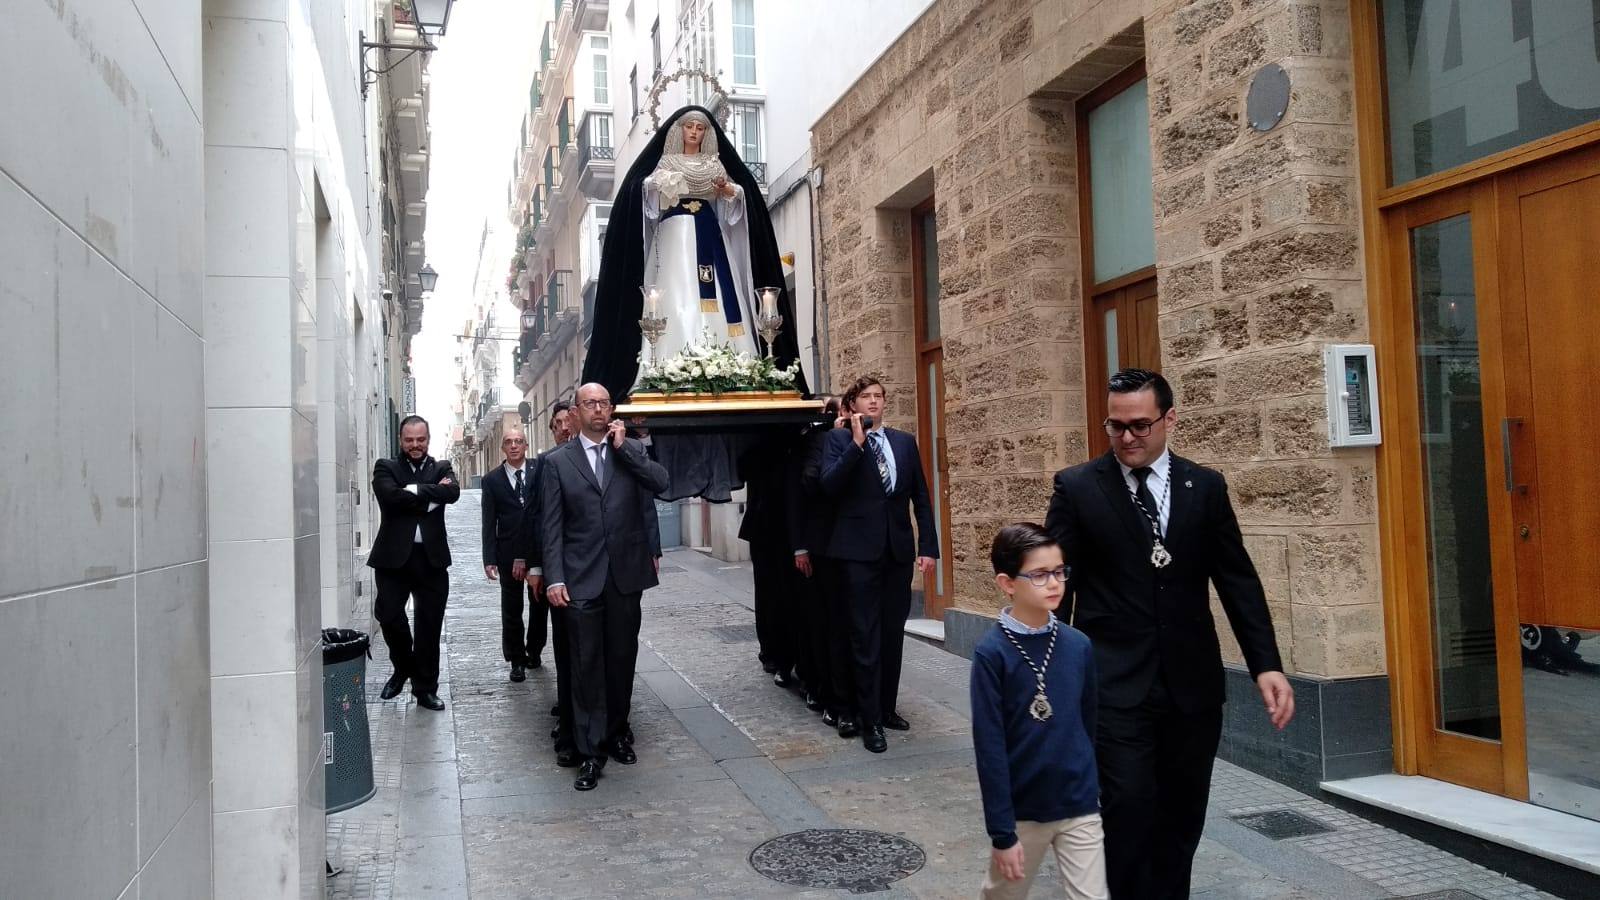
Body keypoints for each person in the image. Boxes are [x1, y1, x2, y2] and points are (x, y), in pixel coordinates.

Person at [1043, 368, 1293, 899]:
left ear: (1169, 419)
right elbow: (1057, 587)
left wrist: (1265, 664)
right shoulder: (1079, 487)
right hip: (1113, 684)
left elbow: (1237, 580)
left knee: (1181, 819)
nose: (1127, 438)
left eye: (1140, 426)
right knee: (1127, 812)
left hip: (1191, 686)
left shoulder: (1204, 487)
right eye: (1115, 427)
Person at [581, 105, 806, 402]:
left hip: (709, 233)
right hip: (676, 233)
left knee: (720, 295)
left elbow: (736, 198)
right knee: (676, 293)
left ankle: (733, 361)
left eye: (700, 129)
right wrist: (656, 185)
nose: (694, 133)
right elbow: (645, 193)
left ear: (706, 134)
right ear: (680, 131)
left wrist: (728, 191)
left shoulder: (715, 165)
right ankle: (670, 362)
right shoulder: (667, 161)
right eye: (690, 127)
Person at [540, 383, 671, 791]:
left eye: (603, 403)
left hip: (624, 576)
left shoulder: (627, 452)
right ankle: (589, 752)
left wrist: (627, 447)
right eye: (589, 403)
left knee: (620, 660)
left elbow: (661, 482)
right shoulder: (557, 462)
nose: (597, 409)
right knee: (585, 666)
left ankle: (616, 733)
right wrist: (555, 577)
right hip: (580, 578)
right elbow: (552, 526)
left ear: (611, 409)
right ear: (575, 412)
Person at [971, 523, 1105, 900]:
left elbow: (1087, 721)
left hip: (1078, 803)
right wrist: (1002, 833)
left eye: (1060, 571)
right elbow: (990, 747)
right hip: (1023, 811)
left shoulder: (1078, 646)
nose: (1054, 583)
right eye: (1040, 574)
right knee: (1004, 896)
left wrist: (1091, 785)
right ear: (1008, 583)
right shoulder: (991, 653)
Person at [819, 376, 938, 753]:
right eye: (865, 397)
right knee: (863, 634)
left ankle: (886, 708)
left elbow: (920, 496)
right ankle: (867, 718)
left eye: (878, 396)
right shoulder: (837, 440)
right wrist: (855, 445)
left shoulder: (903, 442)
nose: (873, 402)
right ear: (852, 405)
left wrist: (929, 547)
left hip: (897, 551)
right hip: (856, 552)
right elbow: (828, 487)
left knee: (891, 633)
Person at [367, 416, 461, 711]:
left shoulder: (442, 467)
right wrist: (432, 495)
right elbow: (389, 496)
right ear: (400, 439)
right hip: (393, 559)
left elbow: (453, 493)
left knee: (429, 627)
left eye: (420, 439)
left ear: (428, 439)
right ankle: (403, 666)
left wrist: (413, 491)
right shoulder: (386, 467)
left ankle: (425, 690)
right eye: (409, 440)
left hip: (431, 560)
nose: (415, 445)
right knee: (389, 615)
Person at [527, 401, 582, 767]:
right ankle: (569, 717)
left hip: (594, 571)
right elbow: (536, 519)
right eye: (557, 423)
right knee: (565, 648)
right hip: (559, 571)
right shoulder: (547, 462)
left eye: (567, 421)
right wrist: (535, 565)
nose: (564, 428)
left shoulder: (602, 454)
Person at [793, 397, 848, 721]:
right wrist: (800, 546)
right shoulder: (817, 443)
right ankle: (820, 687)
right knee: (821, 622)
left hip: (852, 547)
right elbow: (804, 492)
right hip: (821, 545)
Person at [481, 430, 545, 682]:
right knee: (511, 610)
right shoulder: (491, 480)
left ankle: (535, 651)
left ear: (527, 446)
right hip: (507, 554)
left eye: (519, 441)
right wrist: (489, 559)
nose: (514, 446)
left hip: (537, 553)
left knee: (539, 606)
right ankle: (516, 659)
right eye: (509, 442)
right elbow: (489, 522)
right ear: (503, 448)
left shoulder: (540, 471)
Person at [739, 431, 800, 685]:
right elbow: (744, 470)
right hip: (766, 527)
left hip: (791, 529)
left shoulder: (801, 441)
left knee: (785, 596)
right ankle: (774, 653)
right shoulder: (757, 445)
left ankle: (785, 653)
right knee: (769, 594)